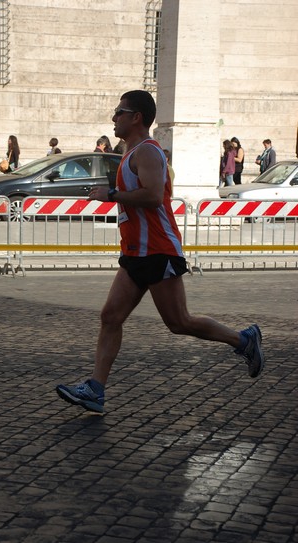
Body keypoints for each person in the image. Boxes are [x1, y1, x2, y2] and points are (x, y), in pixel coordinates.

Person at [56, 90, 264, 414]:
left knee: (179, 322)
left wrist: (111, 194)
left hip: (157, 250)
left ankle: (244, 340)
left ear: (136, 117)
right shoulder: (130, 152)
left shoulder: (148, 152)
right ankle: (95, 389)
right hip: (136, 253)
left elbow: (153, 196)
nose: (113, 117)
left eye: (119, 112)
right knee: (110, 316)